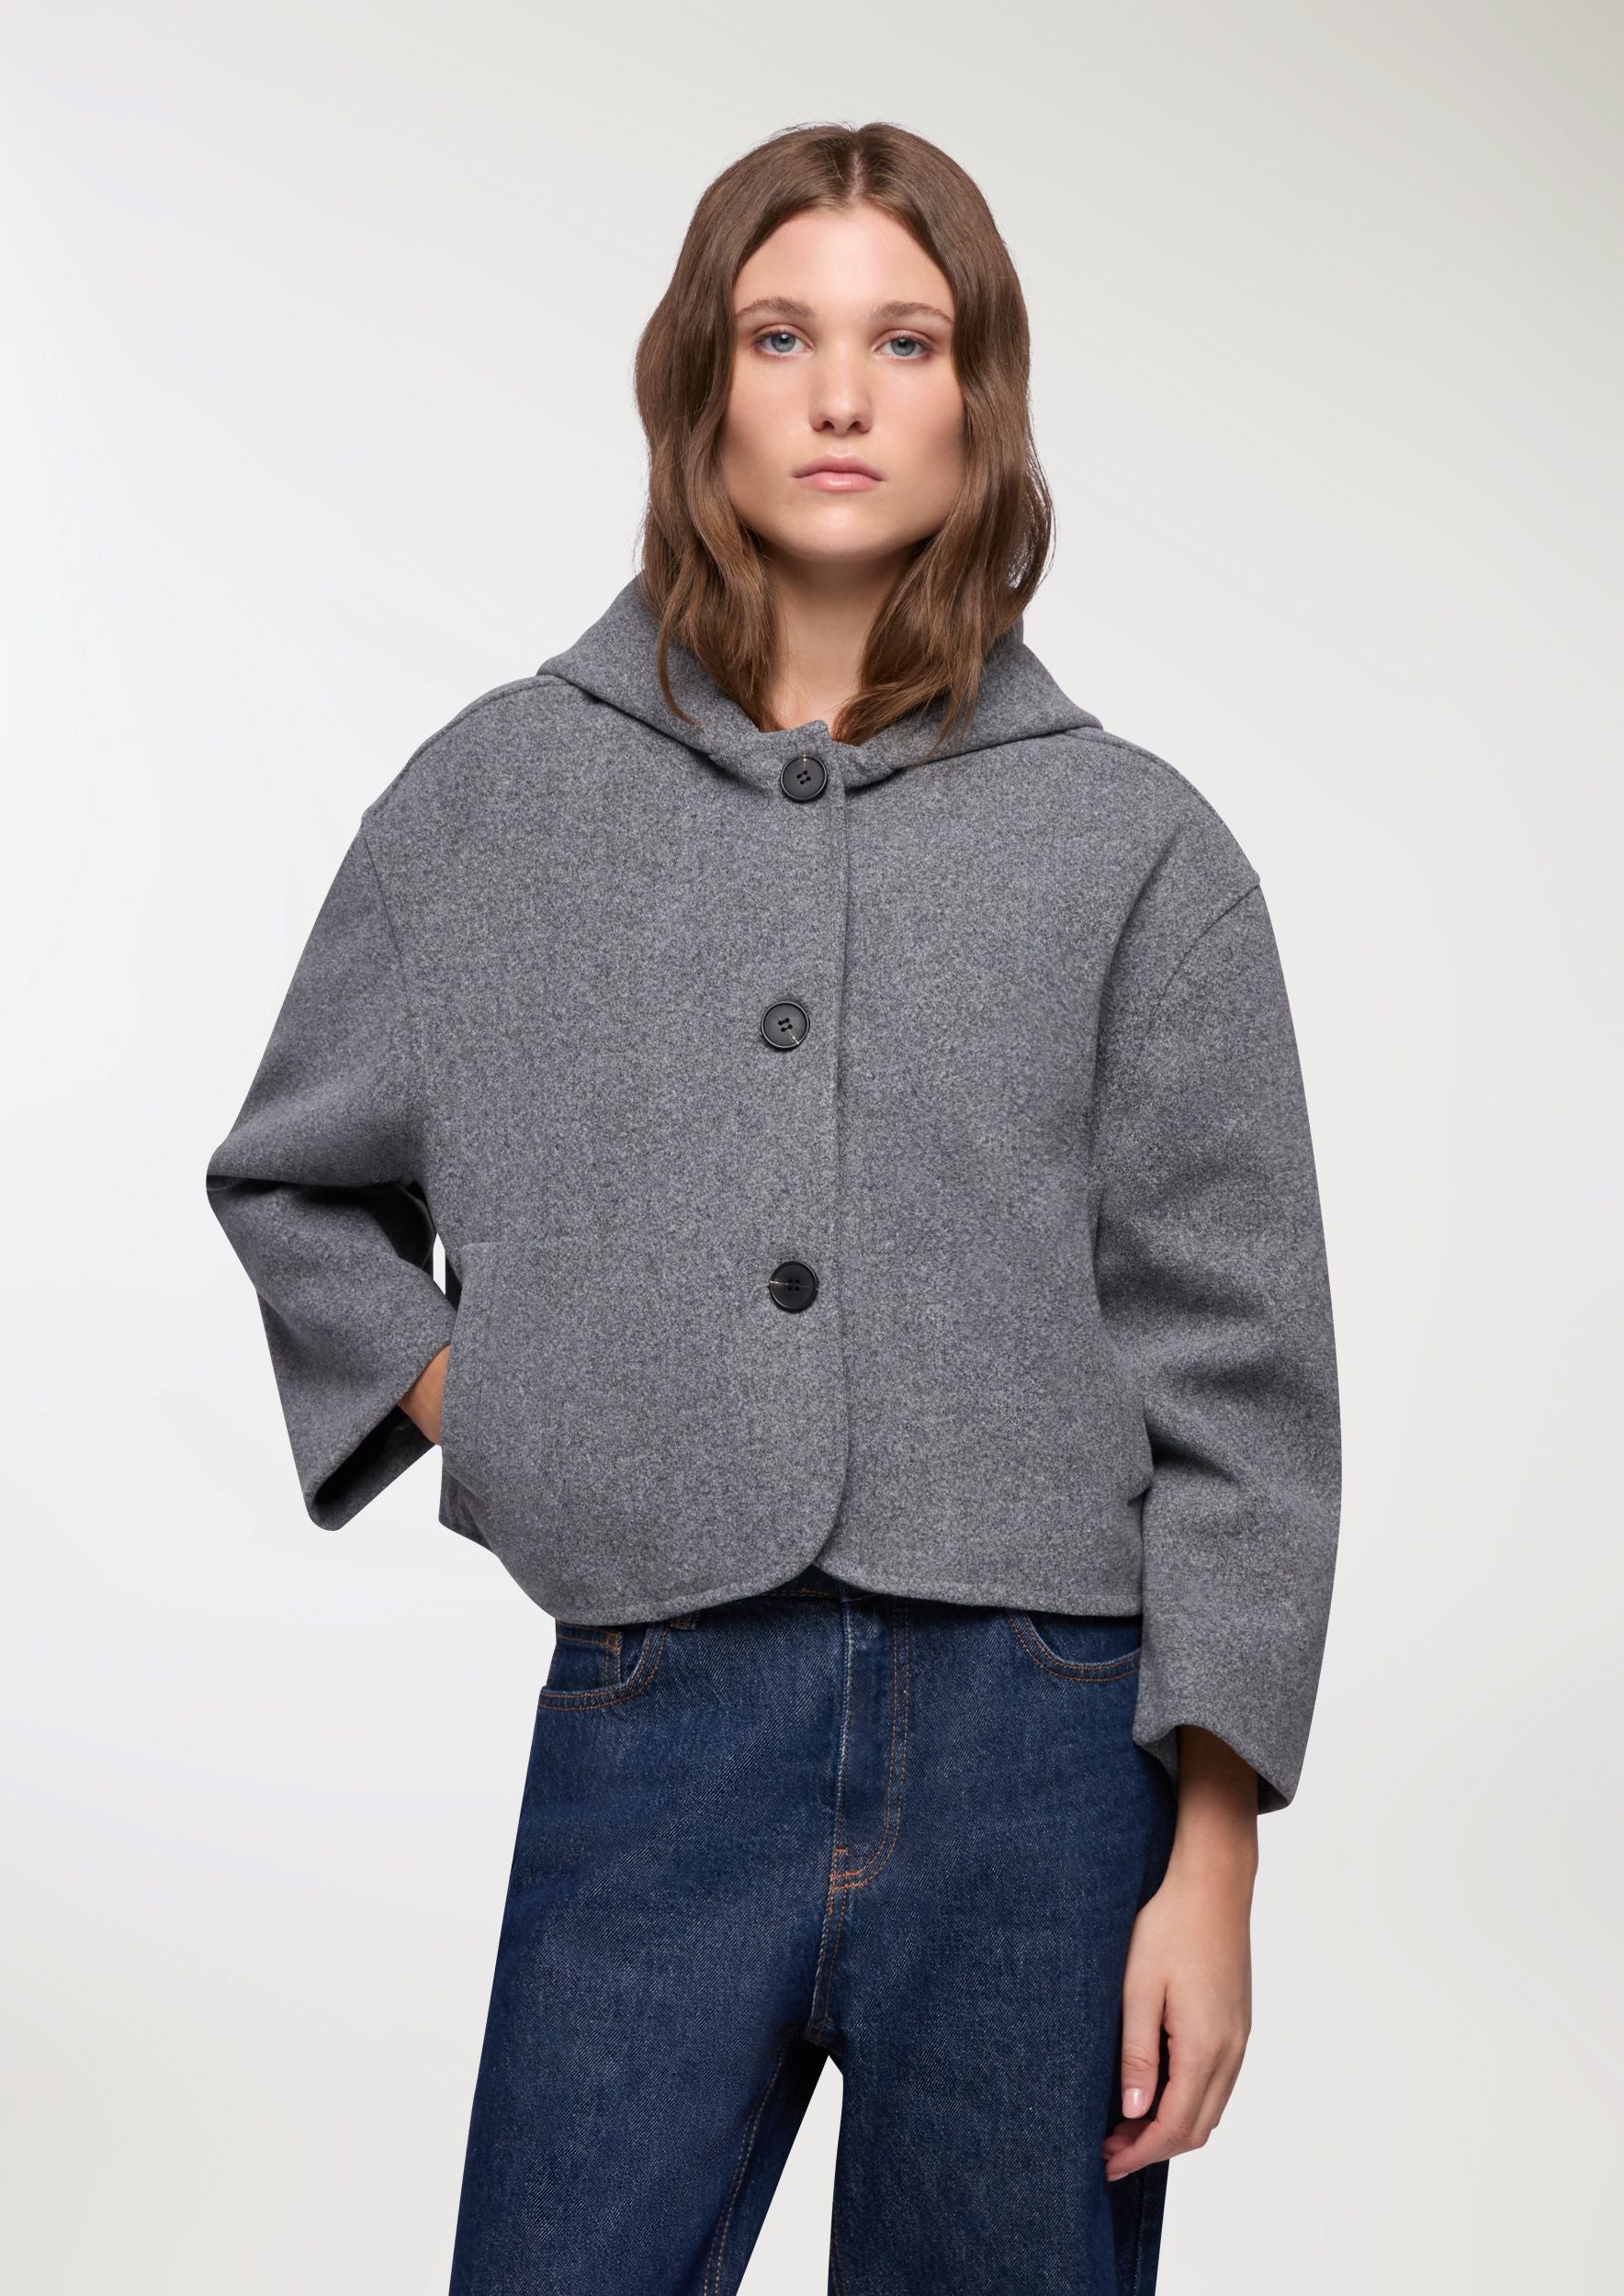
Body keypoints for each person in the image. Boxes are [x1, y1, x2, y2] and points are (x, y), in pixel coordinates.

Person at [206, 120, 1342, 2296]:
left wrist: (1212, 1860)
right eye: (780, 335)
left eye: (904, 340)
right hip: (662, 1708)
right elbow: (293, 1182)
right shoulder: (498, 799)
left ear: (979, 396)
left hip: (1046, 1749)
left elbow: (1242, 1390)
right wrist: (505, 1411)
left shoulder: (1136, 850)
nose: (840, 394)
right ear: (698, 386)